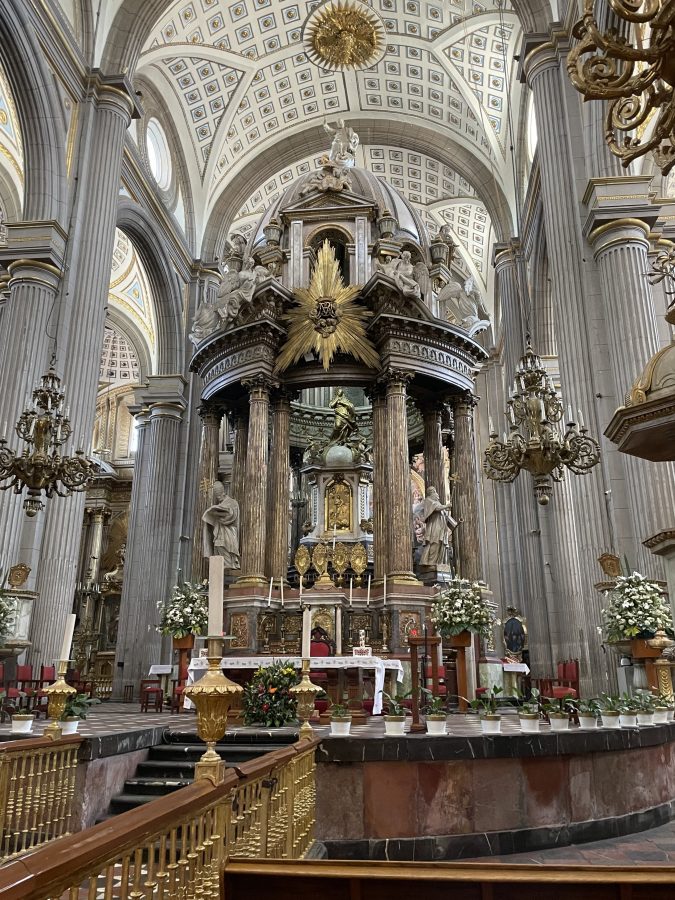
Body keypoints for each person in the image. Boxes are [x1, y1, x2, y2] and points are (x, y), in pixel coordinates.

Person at [202, 481, 240, 570]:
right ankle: (222, 568)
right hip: (219, 532)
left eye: (219, 495)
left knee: (225, 550)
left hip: (228, 532)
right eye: (217, 496)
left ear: (224, 492)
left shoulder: (232, 502)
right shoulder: (220, 505)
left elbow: (232, 515)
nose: (218, 498)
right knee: (218, 547)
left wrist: (219, 514)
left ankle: (229, 565)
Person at [419, 486, 458, 567]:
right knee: (434, 542)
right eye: (435, 493)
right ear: (431, 492)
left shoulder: (437, 502)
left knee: (440, 544)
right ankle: (430, 563)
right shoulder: (428, 500)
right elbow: (436, 508)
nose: (438, 495)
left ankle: (437, 562)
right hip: (434, 526)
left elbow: (442, 511)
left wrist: (446, 511)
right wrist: (446, 506)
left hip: (441, 526)